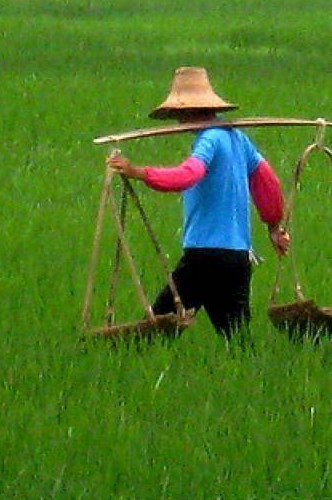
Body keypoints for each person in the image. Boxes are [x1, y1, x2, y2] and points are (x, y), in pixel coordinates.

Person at [108, 67, 290, 338]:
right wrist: (274, 226)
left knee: (158, 326)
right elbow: (268, 182)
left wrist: (138, 172)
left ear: (187, 112)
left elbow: (188, 175)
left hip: (204, 257)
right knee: (237, 338)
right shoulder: (238, 138)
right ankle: (251, 376)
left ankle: (129, 362)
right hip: (237, 258)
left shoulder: (209, 139)